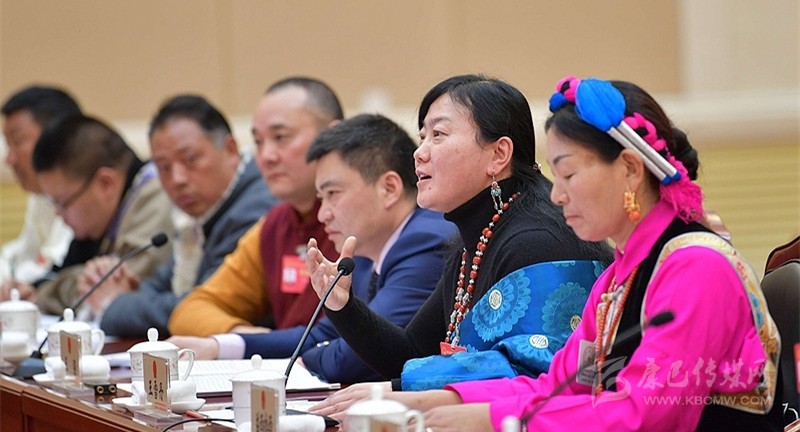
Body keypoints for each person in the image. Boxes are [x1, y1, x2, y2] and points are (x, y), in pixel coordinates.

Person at [381, 77, 783, 431]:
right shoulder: (616, 280)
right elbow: (565, 385)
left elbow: (646, 415)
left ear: (630, 169)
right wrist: (434, 400)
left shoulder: (697, 268)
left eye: (569, 174)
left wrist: (497, 420)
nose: (556, 194)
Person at [308, 74, 612, 415]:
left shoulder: (542, 240)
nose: (419, 152)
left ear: (498, 154)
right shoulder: (472, 241)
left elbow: (533, 373)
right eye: (422, 137)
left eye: (438, 135)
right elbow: (411, 353)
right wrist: (342, 306)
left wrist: (395, 391)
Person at [168, 114, 456, 384]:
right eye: (321, 197)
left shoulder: (425, 241)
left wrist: (302, 362)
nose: (322, 214)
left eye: (332, 194)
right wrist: (219, 346)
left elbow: (357, 356)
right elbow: (321, 335)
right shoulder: (366, 251)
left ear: (389, 189)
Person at [78, 95, 277, 337]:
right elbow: (165, 283)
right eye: (164, 168)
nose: (177, 179)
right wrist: (121, 288)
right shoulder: (203, 212)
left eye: (190, 159)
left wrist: (116, 303)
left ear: (230, 150)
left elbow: (201, 307)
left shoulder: (255, 209)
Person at [167, 77, 343, 337]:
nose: (266, 156)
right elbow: (189, 311)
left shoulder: (361, 219)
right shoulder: (273, 225)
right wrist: (253, 340)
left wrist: (259, 344)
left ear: (332, 136)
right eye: (258, 142)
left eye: (280, 137)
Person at [32, 114, 174, 315]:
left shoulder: (156, 198)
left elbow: (111, 292)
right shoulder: (104, 215)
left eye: (63, 203)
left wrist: (47, 292)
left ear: (106, 183)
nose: (59, 215)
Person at [0, 86, 80, 294]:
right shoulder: (40, 196)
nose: (9, 159)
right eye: (8, 145)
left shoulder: (84, 193)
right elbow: (19, 258)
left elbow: (56, 270)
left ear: (57, 138)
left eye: (18, 142)